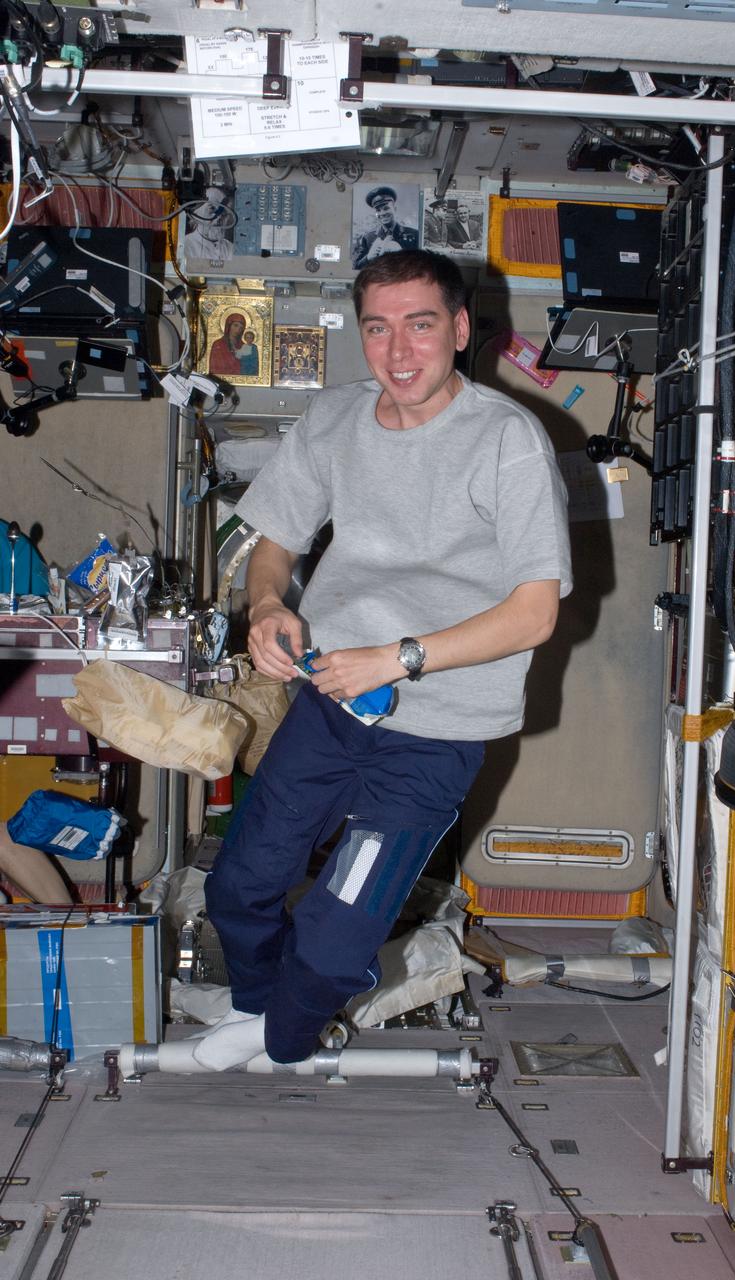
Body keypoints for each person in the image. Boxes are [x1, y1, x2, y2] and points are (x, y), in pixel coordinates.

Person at [195, 249, 572, 1072]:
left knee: (333, 949)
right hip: (332, 704)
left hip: (435, 733)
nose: (399, 351)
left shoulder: (507, 440)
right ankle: (263, 1017)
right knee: (237, 889)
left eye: (421, 325)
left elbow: (534, 612)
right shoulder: (334, 419)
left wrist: (399, 659)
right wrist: (266, 604)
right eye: (379, 328)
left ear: (461, 330)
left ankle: (281, 1039)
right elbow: (277, 542)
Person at [352, 186, 419, 270]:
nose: (382, 213)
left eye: (386, 208)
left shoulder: (415, 234)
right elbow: (356, 267)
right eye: (378, 210)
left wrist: (402, 256)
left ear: (395, 209)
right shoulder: (368, 238)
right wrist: (368, 257)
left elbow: (423, 266)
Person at [183, 186, 235, 263]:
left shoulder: (230, 248)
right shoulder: (186, 245)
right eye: (212, 209)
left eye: (223, 212)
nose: (219, 217)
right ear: (196, 214)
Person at [208, 312, 248, 377]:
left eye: (241, 328)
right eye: (235, 325)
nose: (238, 330)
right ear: (229, 326)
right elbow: (214, 368)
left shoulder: (243, 346)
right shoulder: (218, 344)